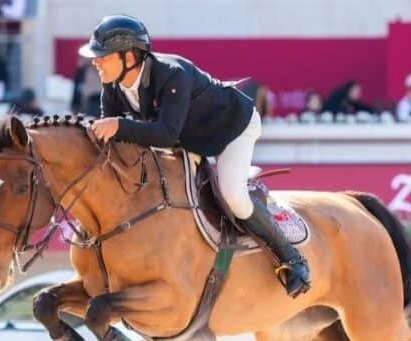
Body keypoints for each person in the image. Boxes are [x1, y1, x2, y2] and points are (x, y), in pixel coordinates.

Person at [79, 14, 309, 297]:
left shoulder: (172, 73)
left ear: (129, 56)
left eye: (102, 55)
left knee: (233, 196)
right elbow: (112, 141)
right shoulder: (112, 84)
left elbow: (162, 133)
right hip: (187, 139)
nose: (95, 61)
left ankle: (292, 258)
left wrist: (118, 126)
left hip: (231, 129)